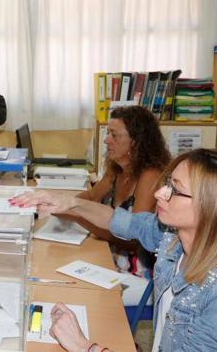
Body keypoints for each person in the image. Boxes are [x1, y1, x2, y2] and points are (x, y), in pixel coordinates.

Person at [10, 149, 217, 352]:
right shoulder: (172, 237)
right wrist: (70, 203)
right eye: (167, 184)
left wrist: (84, 347)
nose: (160, 193)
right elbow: (121, 221)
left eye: (176, 189)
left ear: (216, 208)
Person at [76, 106, 170, 305]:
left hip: (138, 273)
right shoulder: (117, 168)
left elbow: (132, 241)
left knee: (82, 294)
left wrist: (78, 216)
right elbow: (91, 196)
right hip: (112, 258)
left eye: (114, 135)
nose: (106, 140)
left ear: (135, 141)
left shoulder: (150, 176)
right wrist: (59, 201)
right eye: (107, 133)